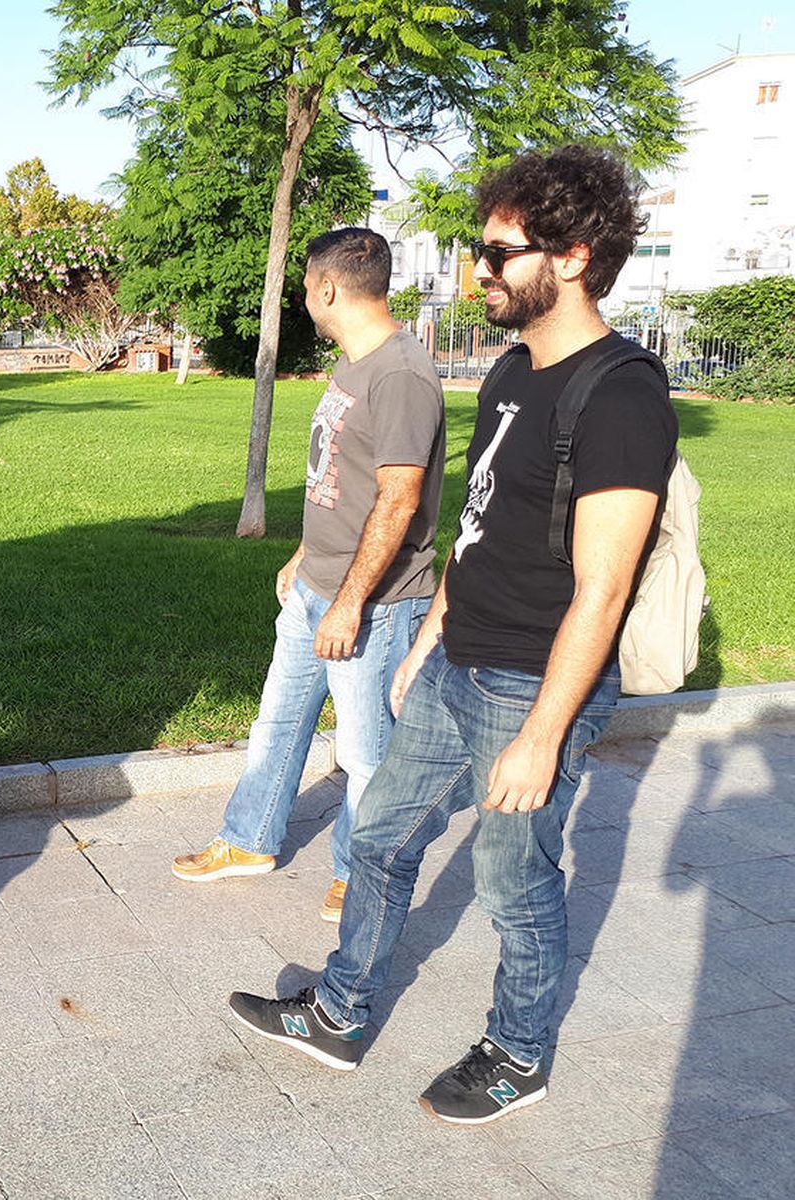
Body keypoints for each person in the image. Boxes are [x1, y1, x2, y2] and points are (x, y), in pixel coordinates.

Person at [229, 146, 677, 1125]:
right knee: (382, 839)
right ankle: (338, 1017)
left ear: (570, 255)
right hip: (454, 664)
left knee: (513, 878)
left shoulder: (621, 394)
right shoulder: (515, 371)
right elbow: (478, 525)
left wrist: (541, 735)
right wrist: (429, 635)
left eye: (497, 250)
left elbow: (601, 591)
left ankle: (519, 1053)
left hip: (531, 685)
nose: (478, 269)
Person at [173, 227, 444, 924]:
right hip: (316, 586)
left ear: (327, 288)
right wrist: (304, 553)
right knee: (277, 722)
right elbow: (340, 479)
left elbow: (399, 498)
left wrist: (350, 602)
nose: (303, 298)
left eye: (304, 286)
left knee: (366, 753)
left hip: (375, 603)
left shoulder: (401, 373)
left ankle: (364, 875)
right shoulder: (355, 364)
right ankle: (249, 841)